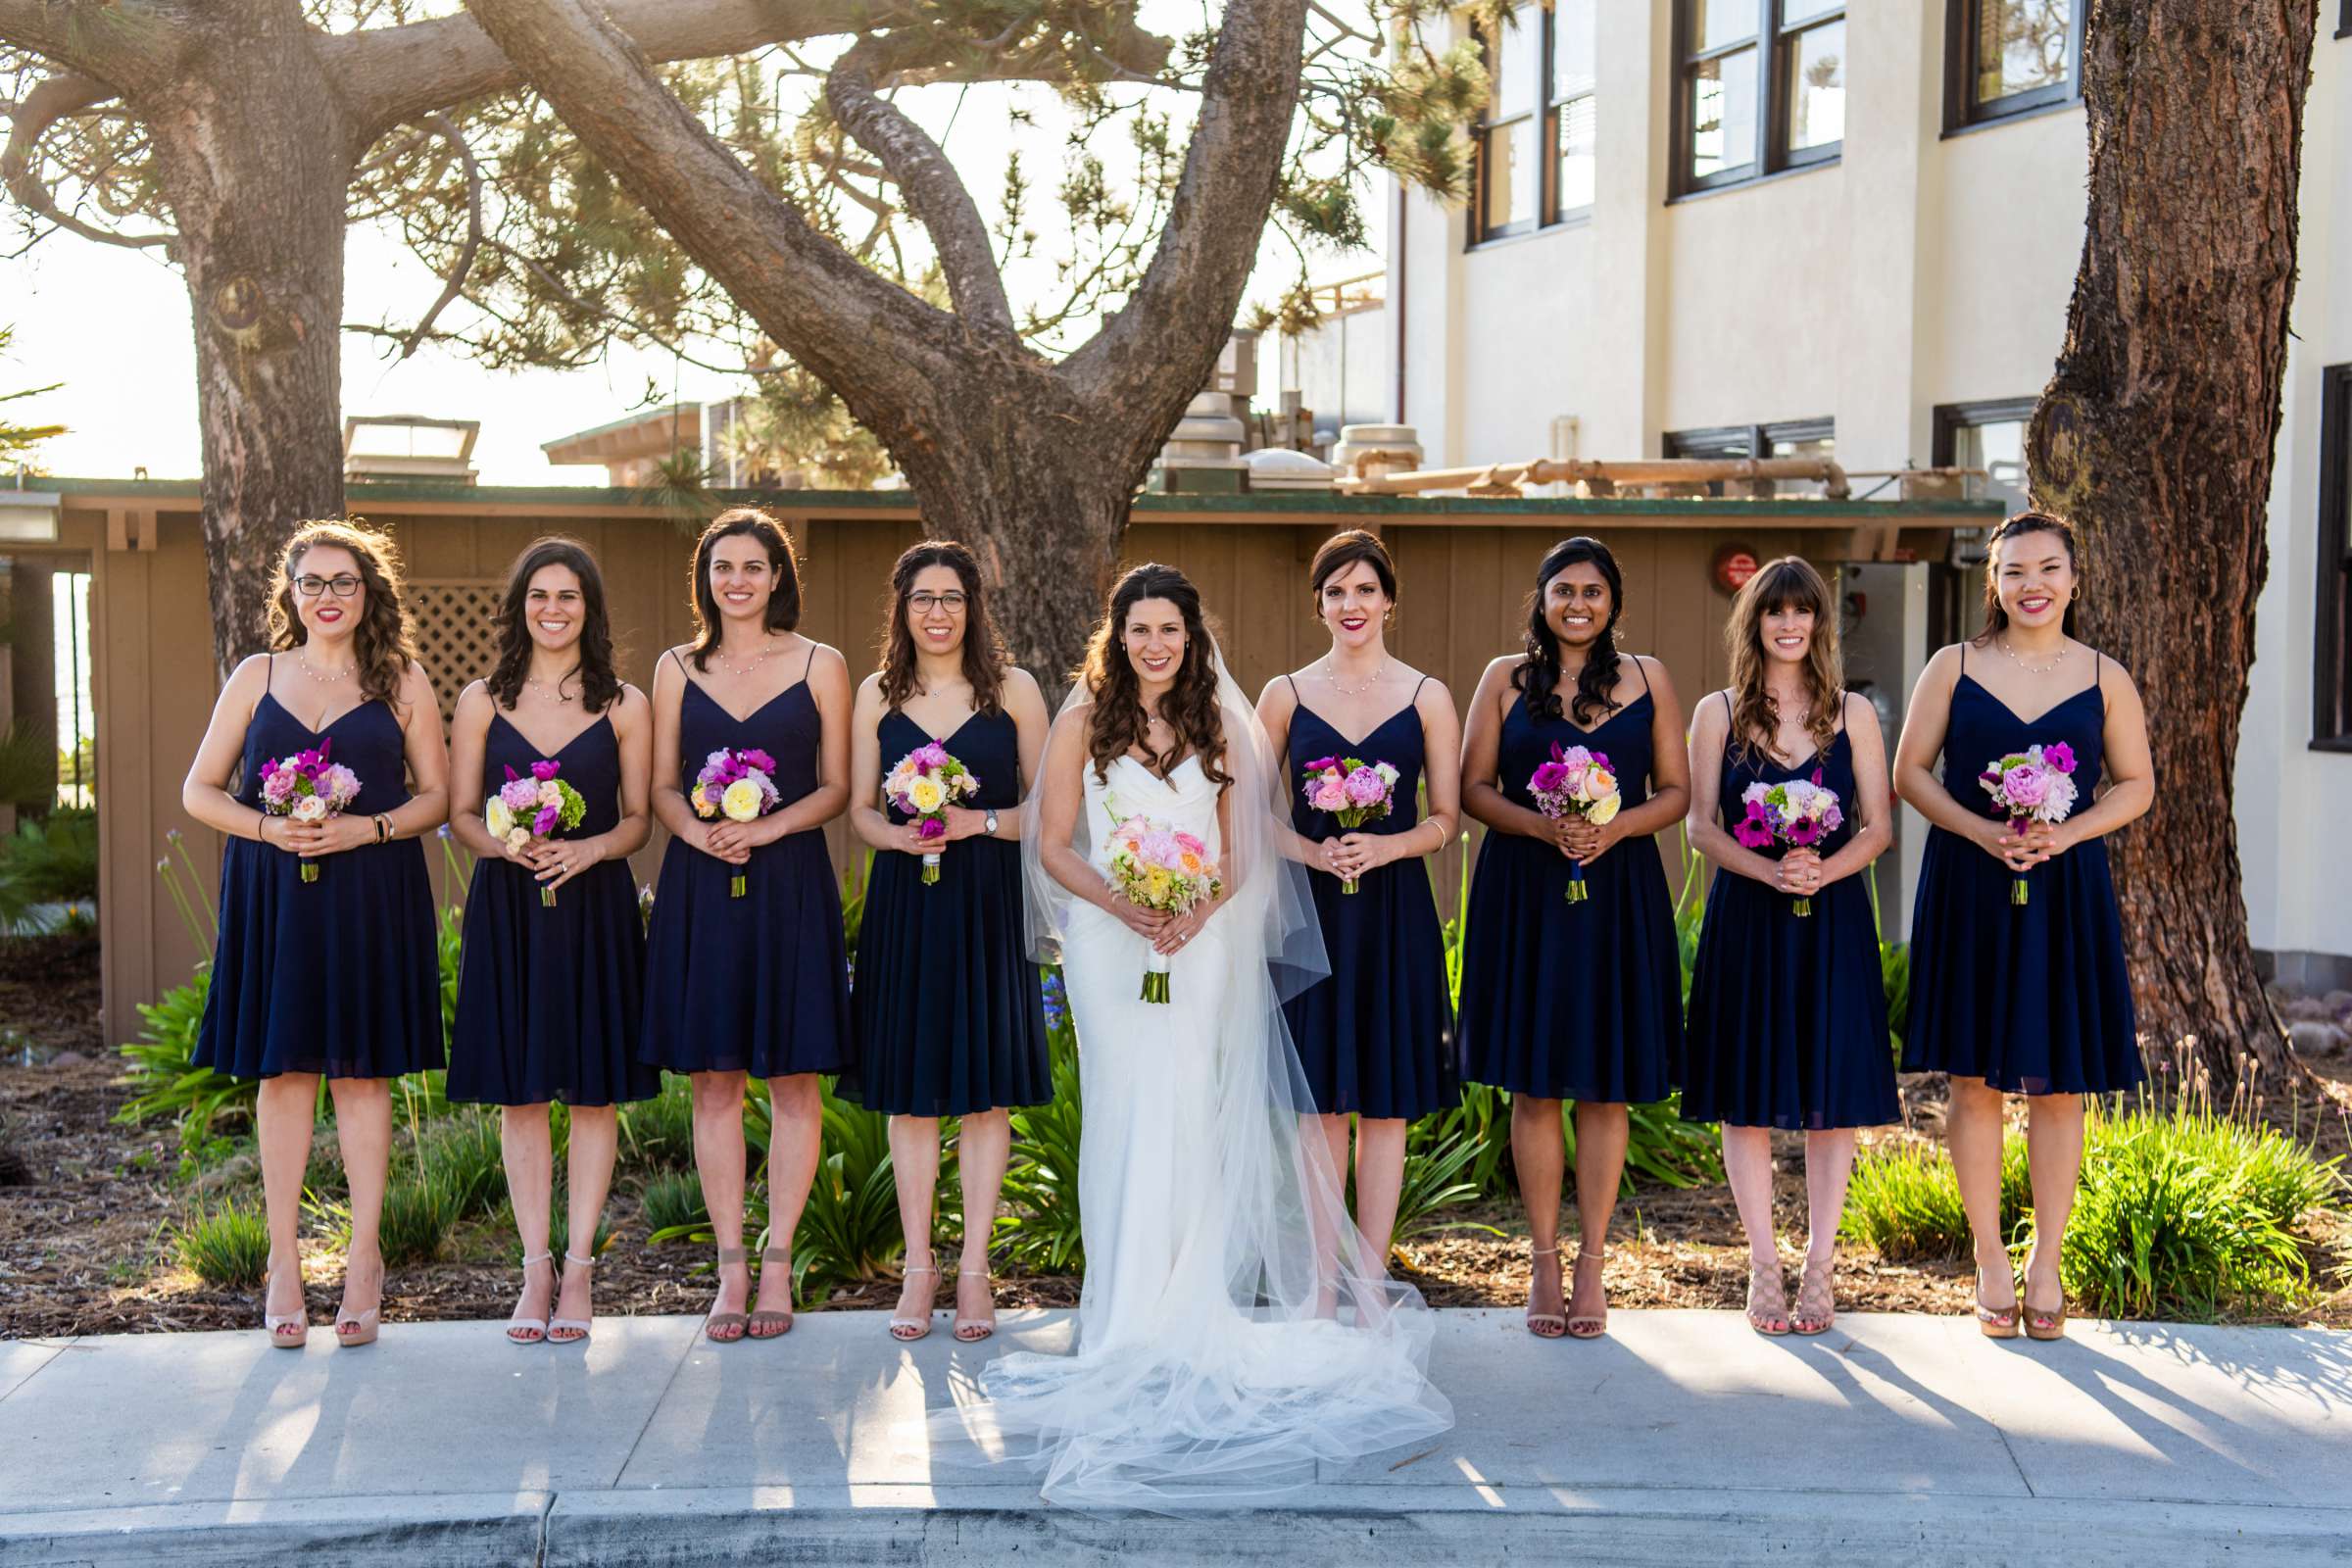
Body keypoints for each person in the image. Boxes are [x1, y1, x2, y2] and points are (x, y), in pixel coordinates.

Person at [932, 563, 1452, 1509]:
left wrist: (1199, 905)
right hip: (1107, 940)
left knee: (1195, 1110)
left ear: (1191, 635)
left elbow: (1245, 841)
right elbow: (1053, 845)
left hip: (1203, 939)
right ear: (1117, 636)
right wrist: (1127, 906)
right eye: (1139, 630)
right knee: (1129, 1113)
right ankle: (1126, 1318)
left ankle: (1194, 1309)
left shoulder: (1223, 720)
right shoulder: (1085, 719)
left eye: (1169, 628)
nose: (1155, 644)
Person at [183, 519, 447, 1348]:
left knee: (363, 1078)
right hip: (277, 893)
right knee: (285, 1075)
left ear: (368, 592)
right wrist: (271, 830)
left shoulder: (402, 680)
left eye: (342, 582)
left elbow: (435, 799)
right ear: (290, 595)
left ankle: (365, 1259)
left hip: (371, 889)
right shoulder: (256, 676)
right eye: (311, 583)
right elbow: (200, 790)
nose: (326, 597)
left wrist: (362, 831)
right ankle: (286, 1262)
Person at [1894, 511, 2152, 1342]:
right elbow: (1910, 773)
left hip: (2066, 888)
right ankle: (1990, 1264)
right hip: (1972, 882)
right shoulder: (1954, 665)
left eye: (2047, 569)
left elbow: (2134, 783)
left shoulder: (2105, 675)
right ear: (1993, 582)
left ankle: (2046, 1263)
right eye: (2014, 571)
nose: (2031, 585)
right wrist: (1980, 829)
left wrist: (2065, 832)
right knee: (1974, 1079)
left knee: (2061, 1082)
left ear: (2075, 580)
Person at [1455, 537, 1688, 1340]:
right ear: (1543, 599)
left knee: (1604, 1084)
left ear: (1613, 602)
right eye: (1564, 590)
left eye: (1593, 591)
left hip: (1617, 892)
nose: (1578, 603)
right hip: (1525, 892)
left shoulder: (1649, 678)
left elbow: (1678, 792)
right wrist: (1542, 826)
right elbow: (1472, 789)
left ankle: (1594, 1265)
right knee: (1535, 1084)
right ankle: (1543, 1261)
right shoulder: (1501, 680)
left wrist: (1614, 827)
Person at [640, 508, 855, 1344]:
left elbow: (836, 785)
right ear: (706, 579)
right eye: (723, 567)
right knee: (715, 1079)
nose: (738, 581)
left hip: (791, 881)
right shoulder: (674, 668)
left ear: (778, 576)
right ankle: (730, 1265)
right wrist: (698, 831)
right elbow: (662, 784)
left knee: (795, 1079)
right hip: (701, 881)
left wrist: (765, 828)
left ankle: (778, 1261)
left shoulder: (821, 664)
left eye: (754, 567)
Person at [447, 537, 658, 1345]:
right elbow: (463, 812)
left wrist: (591, 847)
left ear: (589, 608)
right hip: (510, 903)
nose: (554, 610)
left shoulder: (625, 703)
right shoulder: (481, 700)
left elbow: (639, 816)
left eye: (569, 596)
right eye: (540, 595)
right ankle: (533, 1270)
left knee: (594, 1092)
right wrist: (502, 842)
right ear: (520, 606)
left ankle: (580, 1272)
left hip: (596, 905)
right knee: (523, 1092)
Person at [842, 540, 1053, 1344]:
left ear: (974, 608)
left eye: (952, 598)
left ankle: (973, 1269)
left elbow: (1049, 813)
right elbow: (861, 809)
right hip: (906, 902)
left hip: (989, 904)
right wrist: (896, 840)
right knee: (913, 1095)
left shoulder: (1016, 692)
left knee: (986, 1092)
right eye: (923, 598)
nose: (937, 613)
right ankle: (919, 1266)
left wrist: (980, 822)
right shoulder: (876, 694)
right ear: (901, 608)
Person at [1682, 557, 1897, 1337]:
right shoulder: (1717, 714)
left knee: (1829, 1100)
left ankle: (1820, 1266)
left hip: (1832, 920)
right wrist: (1772, 871)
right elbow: (1700, 826)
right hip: (1748, 918)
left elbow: (1878, 828)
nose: (1789, 625)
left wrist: (1818, 871)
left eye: (1803, 612)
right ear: (1754, 622)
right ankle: (1763, 1264)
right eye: (1774, 612)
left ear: (1819, 623)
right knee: (1747, 1097)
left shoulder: (1855, 716)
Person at [1256, 529, 1459, 1286]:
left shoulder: (1425, 696)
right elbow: (1246, 810)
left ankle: (1369, 1281)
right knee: (1321, 1108)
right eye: (1337, 591)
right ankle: (1318, 1281)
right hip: (1310, 913)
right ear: (1319, 604)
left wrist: (1386, 847)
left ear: (1389, 603)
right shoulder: (1285, 695)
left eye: (1366, 590)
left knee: (1384, 1104)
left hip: (1393, 915)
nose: (1352, 604)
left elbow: (1447, 818)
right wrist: (1312, 852)